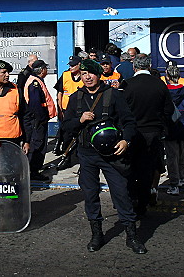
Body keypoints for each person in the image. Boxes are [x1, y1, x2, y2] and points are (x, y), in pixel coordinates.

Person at [61, 59, 146, 254]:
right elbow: (66, 126)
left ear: (99, 75)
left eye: (91, 73)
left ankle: (132, 236)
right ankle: (96, 234)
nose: (87, 77)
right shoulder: (76, 98)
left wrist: (126, 141)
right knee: (90, 194)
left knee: (121, 193)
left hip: (111, 155)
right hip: (87, 154)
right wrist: (79, 120)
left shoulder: (113, 95)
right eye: (83, 74)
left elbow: (130, 122)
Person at [122, 54, 174, 217]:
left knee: (130, 167)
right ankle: (143, 203)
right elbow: (169, 110)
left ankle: (131, 199)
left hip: (132, 132)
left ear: (134, 67)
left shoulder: (127, 85)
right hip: (153, 132)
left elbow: (120, 110)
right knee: (147, 169)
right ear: (149, 66)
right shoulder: (159, 84)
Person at [164, 64, 184, 195]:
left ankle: (174, 184)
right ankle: (182, 178)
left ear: (167, 76)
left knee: (172, 157)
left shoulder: (164, 91)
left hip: (169, 127)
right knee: (182, 155)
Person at [23, 59, 56, 181]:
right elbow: (35, 105)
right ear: (42, 70)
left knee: (39, 145)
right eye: (45, 68)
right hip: (37, 121)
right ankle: (33, 171)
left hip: (38, 120)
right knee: (38, 146)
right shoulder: (34, 83)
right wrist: (40, 120)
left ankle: (34, 169)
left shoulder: (36, 81)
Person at [54, 55, 84, 156]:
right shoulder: (65, 75)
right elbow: (60, 92)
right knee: (66, 132)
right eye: (70, 65)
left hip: (80, 110)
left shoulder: (84, 76)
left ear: (79, 65)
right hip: (66, 109)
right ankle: (65, 152)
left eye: (73, 65)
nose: (71, 67)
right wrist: (60, 109)